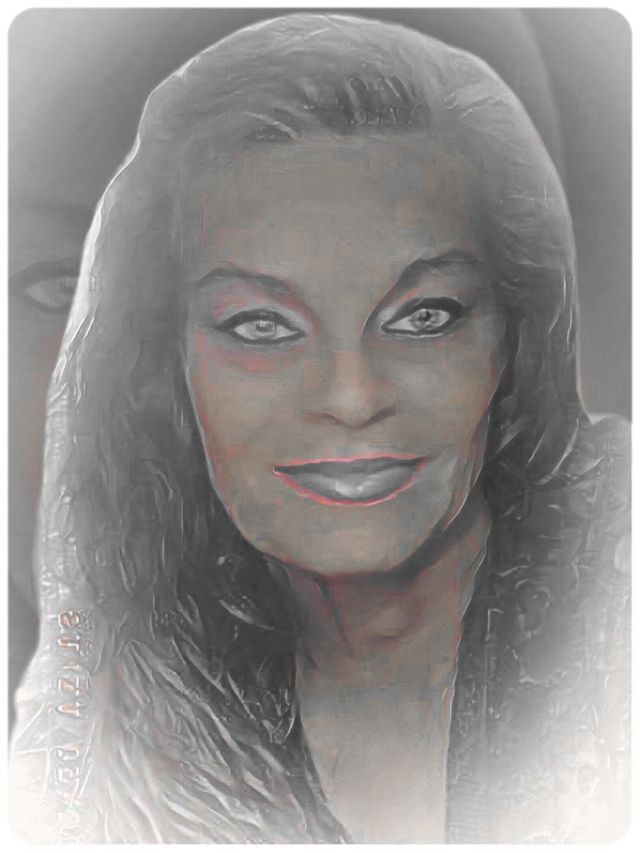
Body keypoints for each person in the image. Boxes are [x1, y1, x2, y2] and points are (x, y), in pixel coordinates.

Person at [8, 13, 630, 844]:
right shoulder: (104, 719)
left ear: (515, 340)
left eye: (424, 316)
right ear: (164, 365)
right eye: (262, 326)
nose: (352, 395)